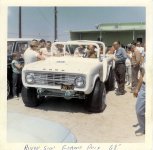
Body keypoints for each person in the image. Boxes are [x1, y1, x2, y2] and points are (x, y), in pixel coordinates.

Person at [133, 65, 145, 136]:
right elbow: (142, 76)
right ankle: (143, 127)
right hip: (144, 87)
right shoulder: (145, 61)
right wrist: (137, 88)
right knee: (139, 110)